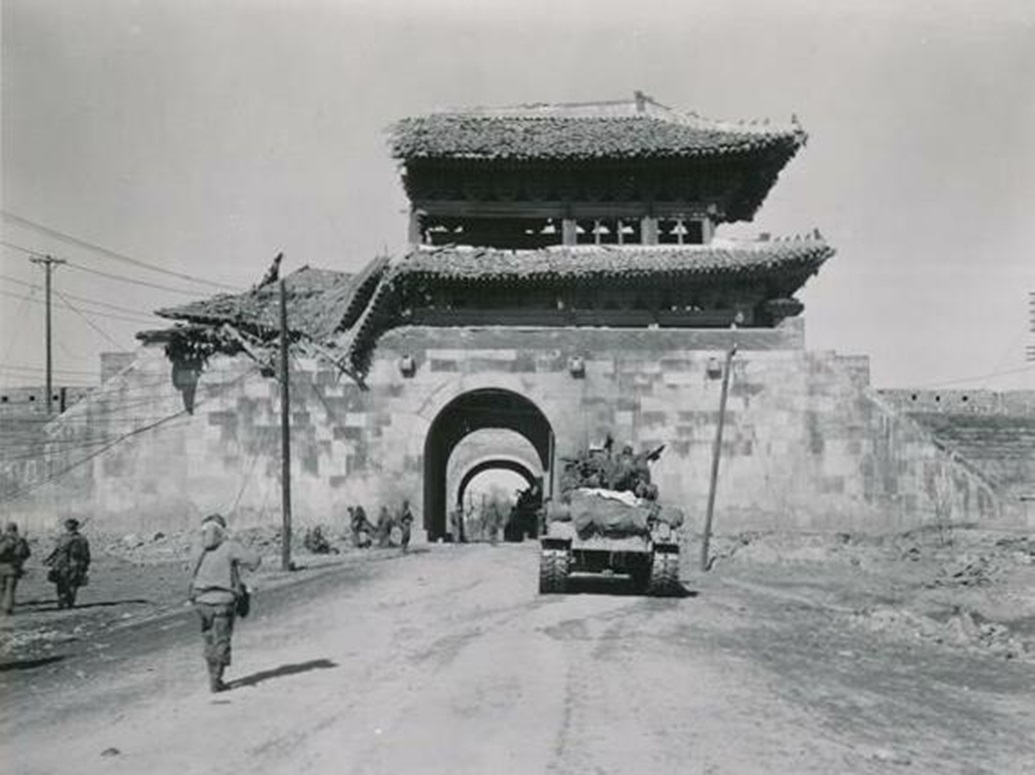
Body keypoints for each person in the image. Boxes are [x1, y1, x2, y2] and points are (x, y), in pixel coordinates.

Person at [189, 514, 261, 693]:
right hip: (223, 602)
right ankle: (216, 680)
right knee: (222, 640)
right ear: (222, 530)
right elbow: (254, 563)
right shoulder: (230, 546)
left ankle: (212, 675)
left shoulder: (196, 547)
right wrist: (241, 547)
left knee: (208, 639)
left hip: (201, 602)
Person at [44, 518, 91, 610]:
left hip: (62, 564)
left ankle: (62, 600)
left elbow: (57, 551)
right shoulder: (82, 539)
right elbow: (86, 554)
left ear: (67, 527)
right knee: (73, 584)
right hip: (76, 564)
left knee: (61, 583)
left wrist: (49, 560)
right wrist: (85, 565)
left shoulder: (63, 537)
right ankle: (70, 602)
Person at [0, 522, 31, 615]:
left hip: (1, 567)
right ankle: (8, 608)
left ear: (7, 529)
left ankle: (1, 607)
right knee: (10, 589)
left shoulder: (3, 539)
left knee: (1, 588)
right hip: (14, 567)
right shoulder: (21, 540)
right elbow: (27, 553)